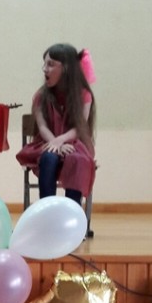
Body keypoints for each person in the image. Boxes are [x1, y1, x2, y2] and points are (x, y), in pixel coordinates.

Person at [16, 43, 96, 205]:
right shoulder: (40, 96)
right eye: (44, 64)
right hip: (46, 142)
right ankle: (47, 208)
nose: (45, 69)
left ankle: (72, 210)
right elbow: (42, 127)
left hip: (74, 144)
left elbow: (79, 127)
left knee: (77, 159)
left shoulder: (84, 95)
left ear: (66, 68)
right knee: (49, 157)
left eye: (51, 64)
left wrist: (61, 141)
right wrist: (55, 143)